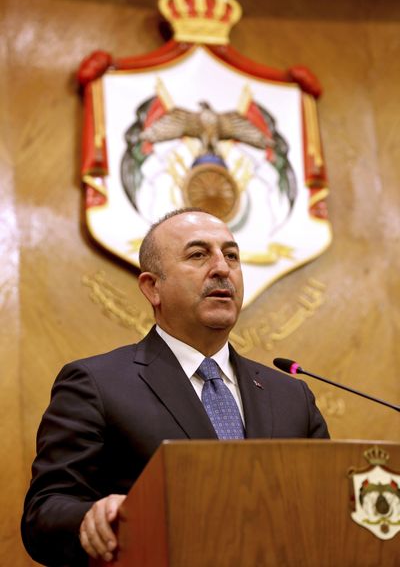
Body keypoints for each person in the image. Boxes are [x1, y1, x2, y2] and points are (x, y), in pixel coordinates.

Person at [21, 208, 329, 566]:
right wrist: (91, 516)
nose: (221, 268)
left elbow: (327, 503)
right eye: (198, 255)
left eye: (231, 255)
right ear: (153, 287)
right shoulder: (96, 384)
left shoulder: (291, 394)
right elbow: (45, 510)